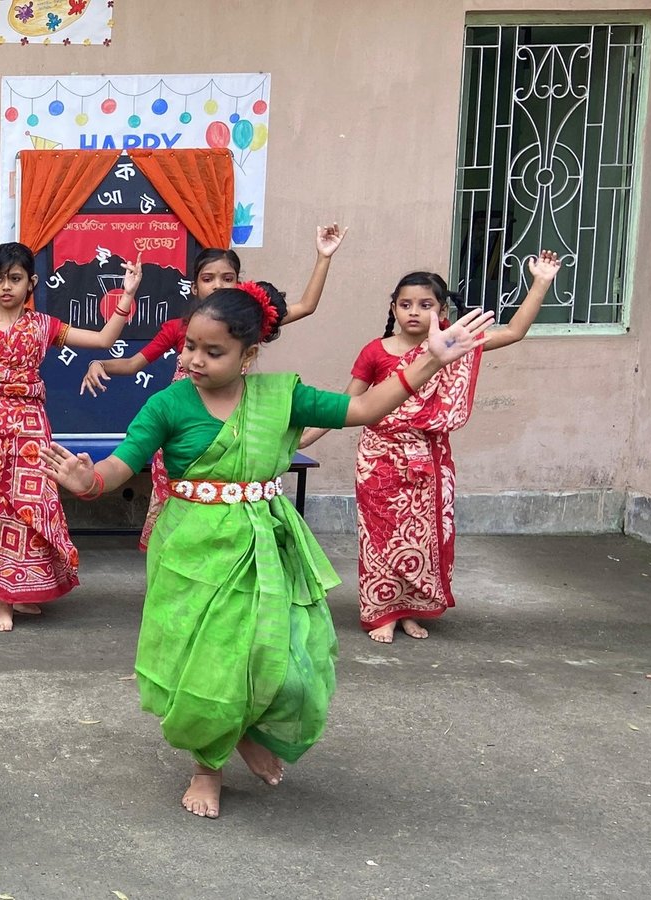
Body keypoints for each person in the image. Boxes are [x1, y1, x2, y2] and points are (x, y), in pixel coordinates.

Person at [42, 282, 492, 819]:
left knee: (286, 657)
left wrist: (428, 363)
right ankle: (206, 767)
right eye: (190, 346)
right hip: (193, 552)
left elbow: (366, 407)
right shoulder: (168, 403)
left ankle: (248, 733)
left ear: (248, 355)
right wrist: (88, 481)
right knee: (208, 666)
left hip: (267, 545)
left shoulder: (283, 395)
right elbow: (121, 464)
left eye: (214, 351)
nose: (194, 359)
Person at [299, 252, 559, 642]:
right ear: (393, 308)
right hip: (379, 458)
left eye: (426, 305)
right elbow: (346, 404)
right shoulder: (375, 352)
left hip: (429, 458)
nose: (414, 313)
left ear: (441, 310)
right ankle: (380, 612)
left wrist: (540, 281)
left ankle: (409, 611)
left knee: (422, 538)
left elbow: (514, 332)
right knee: (380, 537)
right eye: (405, 305)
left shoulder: (455, 344)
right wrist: (299, 440)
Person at [79, 226, 348, 548]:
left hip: (236, 424)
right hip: (186, 430)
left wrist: (323, 257)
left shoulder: (247, 325)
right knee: (177, 515)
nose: (218, 285)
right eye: (208, 278)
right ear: (195, 286)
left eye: (227, 278)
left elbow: (305, 306)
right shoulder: (177, 331)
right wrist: (100, 364)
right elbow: (135, 363)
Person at [0, 241, 135, 631]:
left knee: (34, 505)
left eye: (15, 279)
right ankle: (2, 601)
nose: (6, 287)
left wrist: (127, 296)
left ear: (31, 282)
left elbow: (102, 341)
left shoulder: (44, 326)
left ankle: (26, 590)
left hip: (30, 427)